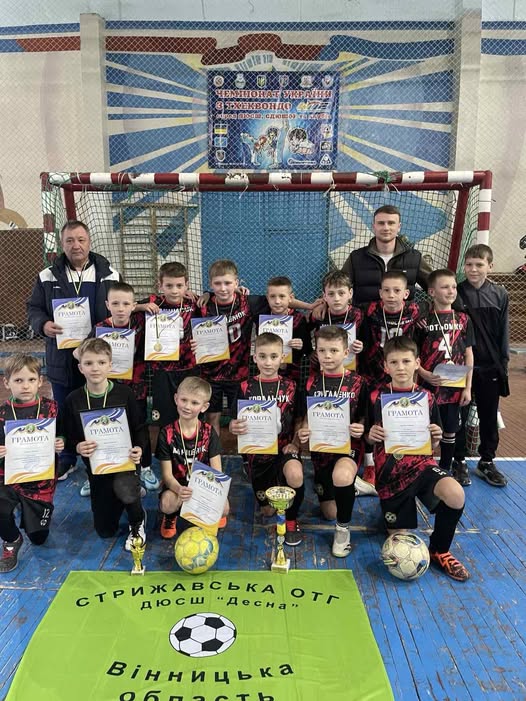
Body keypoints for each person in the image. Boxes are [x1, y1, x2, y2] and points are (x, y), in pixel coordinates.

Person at [366, 336, 469, 582]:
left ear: (417, 363)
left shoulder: (427, 397)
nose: (400, 367)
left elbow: (433, 444)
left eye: (406, 361)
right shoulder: (374, 397)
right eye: (394, 362)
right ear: (385, 366)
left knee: (455, 494)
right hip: (390, 476)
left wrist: (436, 437)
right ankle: (389, 512)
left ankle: (440, 550)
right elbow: (366, 439)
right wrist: (370, 435)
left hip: (422, 467)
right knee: (399, 541)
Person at [27, 220, 120, 477]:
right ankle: (67, 458)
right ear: (62, 244)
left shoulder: (110, 274)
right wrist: (43, 324)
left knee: (98, 408)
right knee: (65, 409)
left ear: (89, 242)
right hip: (61, 357)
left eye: (81, 239)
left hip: (96, 358)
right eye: (69, 240)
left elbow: (123, 304)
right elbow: (33, 308)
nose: (76, 245)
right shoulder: (47, 276)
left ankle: (102, 457)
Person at [63, 338, 147, 550]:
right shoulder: (73, 399)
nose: (95, 368)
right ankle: (124, 498)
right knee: (105, 530)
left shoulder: (125, 394)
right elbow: (68, 436)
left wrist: (139, 449)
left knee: (125, 487)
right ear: (80, 368)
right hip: (97, 469)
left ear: (110, 365)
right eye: (89, 363)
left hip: (125, 463)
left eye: (101, 362)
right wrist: (77, 447)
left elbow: (140, 428)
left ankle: (137, 519)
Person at [76, 281, 156, 497]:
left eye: (126, 304)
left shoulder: (141, 321)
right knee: (103, 428)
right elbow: (78, 352)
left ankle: (145, 467)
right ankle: (95, 472)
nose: (121, 308)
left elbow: (160, 305)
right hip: (108, 389)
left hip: (137, 385)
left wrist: (141, 307)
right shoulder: (100, 328)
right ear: (107, 305)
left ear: (133, 305)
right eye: (115, 303)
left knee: (139, 426)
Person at [297, 326, 366, 558]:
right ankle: (352, 485)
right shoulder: (311, 383)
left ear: (346, 352)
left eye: (334, 350)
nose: (327, 356)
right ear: (316, 352)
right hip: (322, 452)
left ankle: (343, 531)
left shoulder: (358, 382)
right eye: (322, 350)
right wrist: (303, 431)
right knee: (329, 512)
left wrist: (361, 428)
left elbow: (365, 419)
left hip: (349, 448)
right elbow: (306, 417)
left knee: (342, 476)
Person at [229, 333, 304, 545]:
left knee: (295, 475)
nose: (268, 362)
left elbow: (300, 419)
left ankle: (291, 520)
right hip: (258, 453)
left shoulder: (291, 386)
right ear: (255, 358)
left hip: (284, 449)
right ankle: (263, 479)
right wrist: (233, 427)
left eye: (273, 356)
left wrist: (295, 443)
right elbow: (233, 422)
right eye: (262, 356)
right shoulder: (245, 387)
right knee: (268, 511)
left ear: (282, 357)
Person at [358, 271, 425, 491]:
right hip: (373, 373)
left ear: (406, 293)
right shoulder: (369, 309)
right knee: (371, 418)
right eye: (386, 290)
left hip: (401, 373)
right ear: (380, 293)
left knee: (400, 416)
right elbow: (345, 309)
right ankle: (369, 464)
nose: (391, 295)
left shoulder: (415, 311)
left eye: (397, 291)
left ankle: (403, 459)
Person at [0, 354, 64, 573]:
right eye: (18, 380)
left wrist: (60, 442)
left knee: (38, 538)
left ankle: (27, 512)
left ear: (40, 381)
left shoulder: (52, 408)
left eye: (30, 379)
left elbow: (63, 433)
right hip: (8, 477)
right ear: (6, 382)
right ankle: (11, 540)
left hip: (40, 481)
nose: (25, 386)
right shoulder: (2, 413)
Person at [454, 244, 510, 487]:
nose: (473, 269)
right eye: (469, 264)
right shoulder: (456, 292)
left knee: (488, 415)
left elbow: (504, 332)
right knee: (459, 416)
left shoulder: (500, 294)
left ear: (490, 266)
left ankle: (486, 460)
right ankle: (459, 460)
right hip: (462, 366)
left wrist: (503, 363)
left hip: (490, 366)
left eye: (479, 265)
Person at [415, 269, 474, 483]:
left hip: (454, 387)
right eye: (445, 287)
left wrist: (467, 387)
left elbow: (469, 353)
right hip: (429, 386)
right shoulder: (423, 321)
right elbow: (412, 356)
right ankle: (423, 470)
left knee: (450, 431)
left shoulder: (464, 319)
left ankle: (445, 471)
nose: (451, 291)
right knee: (428, 430)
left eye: (454, 287)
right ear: (432, 292)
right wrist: (424, 374)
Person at [197, 259, 268, 435]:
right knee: (212, 417)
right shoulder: (204, 306)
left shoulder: (247, 303)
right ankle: (214, 451)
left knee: (240, 418)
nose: (223, 288)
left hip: (238, 373)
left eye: (228, 283)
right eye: (217, 283)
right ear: (210, 284)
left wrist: (311, 306)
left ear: (236, 283)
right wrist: (206, 294)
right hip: (210, 373)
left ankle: (242, 452)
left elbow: (280, 299)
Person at [156, 376, 228, 539]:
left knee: (224, 508)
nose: (187, 406)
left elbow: (217, 472)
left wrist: (208, 493)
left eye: (194, 403)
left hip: (203, 486)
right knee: (167, 504)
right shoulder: (166, 433)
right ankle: (171, 516)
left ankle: (206, 512)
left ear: (204, 407)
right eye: (184, 400)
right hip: (177, 487)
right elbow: (167, 475)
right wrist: (179, 489)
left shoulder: (209, 432)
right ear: (176, 399)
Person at [136, 261, 200, 429]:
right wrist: (142, 306)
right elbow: (127, 306)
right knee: (164, 417)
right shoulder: (154, 302)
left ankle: (188, 443)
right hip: (161, 370)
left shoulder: (193, 302)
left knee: (189, 414)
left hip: (189, 367)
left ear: (187, 285)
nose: (174, 290)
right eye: (169, 285)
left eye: (179, 285)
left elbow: (218, 299)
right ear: (160, 285)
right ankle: (165, 445)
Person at [341, 205, 431, 305]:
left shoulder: (414, 258)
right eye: (381, 223)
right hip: (365, 315)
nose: (386, 228)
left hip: (403, 315)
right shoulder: (356, 258)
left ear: (399, 227)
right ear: (374, 227)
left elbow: (436, 288)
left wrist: (425, 309)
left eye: (391, 223)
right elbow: (338, 288)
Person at [260, 276, 311, 384]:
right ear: (267, 297)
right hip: (266, 370)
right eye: (273, 296)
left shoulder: (298, 319)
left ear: (290, 297)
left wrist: (300, 345)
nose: (277, 301)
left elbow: (307, 349)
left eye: (282, 296)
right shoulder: (261, 316)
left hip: (292, 374)